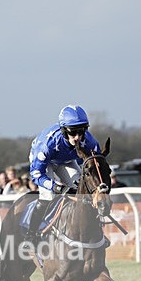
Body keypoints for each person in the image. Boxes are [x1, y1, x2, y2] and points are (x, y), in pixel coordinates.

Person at [25, 104, 101, 242]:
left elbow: (97, 165)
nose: (77, 137)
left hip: (66, 161)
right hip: (45, 164)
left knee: (83, 191)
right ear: (64, 130)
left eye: (81, 131)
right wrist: (55, 186)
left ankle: (91, 231)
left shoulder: (90, 142)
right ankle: (31, 235)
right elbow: (36, 175)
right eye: (73, 132)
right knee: (48, 196)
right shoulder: (46, 145)